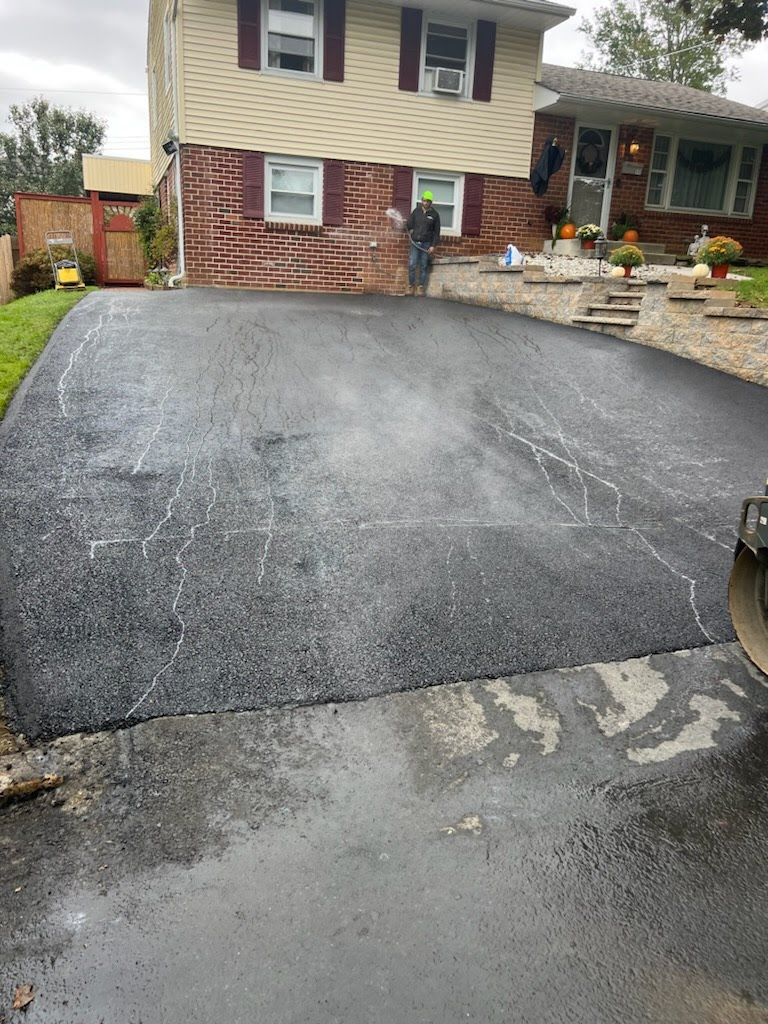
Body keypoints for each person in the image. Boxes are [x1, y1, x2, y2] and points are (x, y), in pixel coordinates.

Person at [406, 191, 440, 296]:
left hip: (426, 244)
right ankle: (411, 286)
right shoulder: (416, 211)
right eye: (424, 200)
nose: (425, 203)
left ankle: (420, 287)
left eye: (428, 201)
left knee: (424, 266)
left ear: (431, 202)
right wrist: (409, 227)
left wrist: (433, 246)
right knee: (412, 264)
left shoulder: (435, 215)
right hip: (415, 243)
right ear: (422, 200)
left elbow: (436, 232)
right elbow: (409, 224)